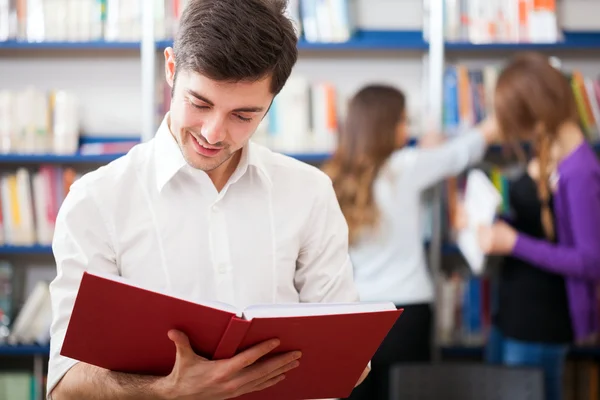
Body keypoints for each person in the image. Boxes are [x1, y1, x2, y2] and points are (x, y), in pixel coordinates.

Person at [46, 1, 368, 399]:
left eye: (243, 115)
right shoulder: (97, 201)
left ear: (270, 104)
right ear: (170, 69)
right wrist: (167, 390)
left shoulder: (309, 192)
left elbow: (350, 362)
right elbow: (66, 386)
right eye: (199, 104)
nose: (214, 134)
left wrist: (346, 356)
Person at [321, 84, 499, 400]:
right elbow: (461, 153)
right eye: (404, 120)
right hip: (407, 312)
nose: (408, 128)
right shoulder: (405, 166)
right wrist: (493, 125)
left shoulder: (332, 177)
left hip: (356, 315)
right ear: (387, 126)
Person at [478, 52, 600, 400]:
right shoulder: (549, 148)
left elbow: (591, 262)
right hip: (514, 312)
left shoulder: (581, 171)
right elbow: (546, 225)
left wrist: (513, 242)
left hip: (542, 322)